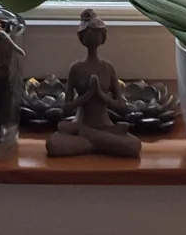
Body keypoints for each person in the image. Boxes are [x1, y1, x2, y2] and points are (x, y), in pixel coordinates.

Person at [45, 10, 141, 158]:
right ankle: (102, 142)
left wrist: (101, 95)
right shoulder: (76, 69)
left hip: (103, 126)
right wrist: (87, 95)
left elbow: (122, 107)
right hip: (80, 124)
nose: (92, 37)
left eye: (96, 33)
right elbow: (67, 107)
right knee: (54, 143)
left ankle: (90, 138)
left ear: (103, 38)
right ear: (81, 38)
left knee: (134, 145)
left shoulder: (107, 68)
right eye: (88, 33)